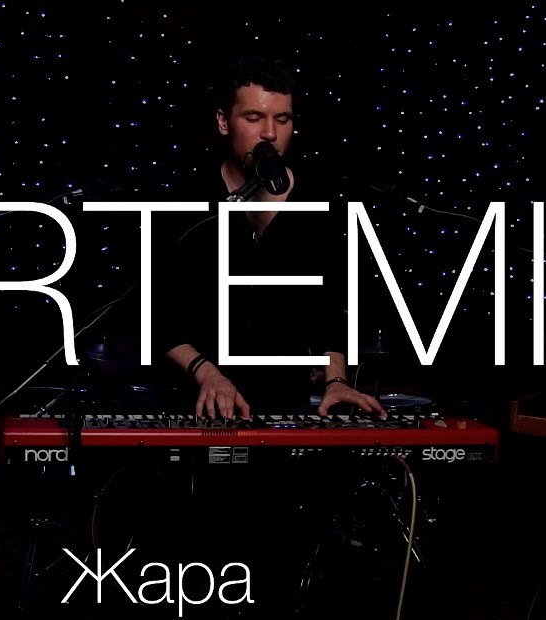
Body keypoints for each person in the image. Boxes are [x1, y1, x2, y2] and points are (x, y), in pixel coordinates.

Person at [156, 56, 384, 419]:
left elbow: (330, 310)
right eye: (253, 118)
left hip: (288, 408)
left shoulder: (320, 204)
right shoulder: (185, 202)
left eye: (282, 119)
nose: (269, 134)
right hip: (198, 407)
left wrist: (336, 381)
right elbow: (157, 315)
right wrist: (209, 374)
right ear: (223, 122)